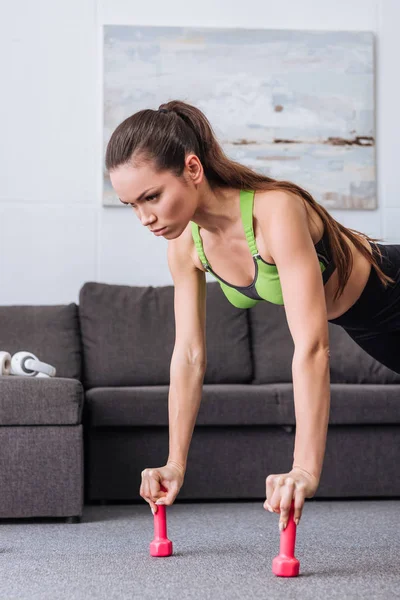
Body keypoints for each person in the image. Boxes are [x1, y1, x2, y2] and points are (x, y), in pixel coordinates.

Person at [105, 100, 400, 533]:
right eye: (131, 204)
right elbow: (188, 356)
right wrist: (175, 463)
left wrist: (304, 468)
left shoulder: (274, 211)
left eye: (152, 196)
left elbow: (312, 347)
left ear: (192, 168)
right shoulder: (186, 246)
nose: (145, 217)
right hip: (368, 326)